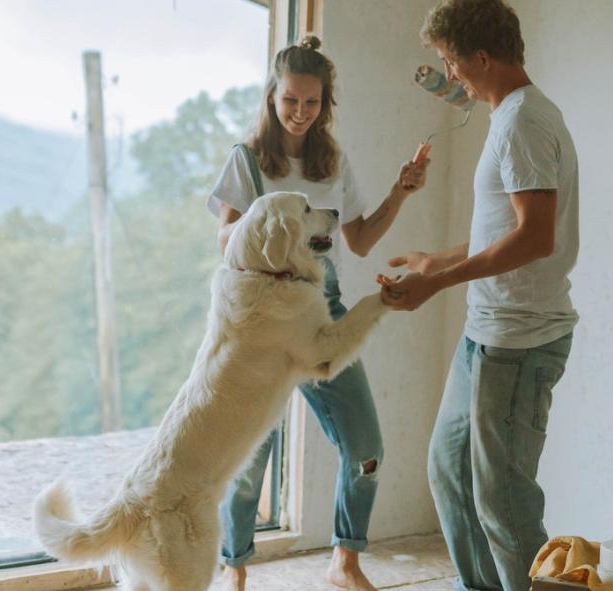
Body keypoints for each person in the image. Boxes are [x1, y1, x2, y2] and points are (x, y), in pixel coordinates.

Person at [207, 35, 430, 591]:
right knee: (248, 456)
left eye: (311, 102)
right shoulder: (248, 159)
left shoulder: (333, 161)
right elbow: (224, 242)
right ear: (272, 97)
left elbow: (357, 242)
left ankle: (345, 560)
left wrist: (400, 193)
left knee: (365, 448)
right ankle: (233, 567)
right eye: (290, 101)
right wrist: (272, 215)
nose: (300, 113)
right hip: (259, 318)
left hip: (321, 311)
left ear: (324, 103)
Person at [378, 1, 580, 590]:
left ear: (482, 58)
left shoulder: (524, 122)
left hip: (520, 342)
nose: (452, 75)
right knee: (449, 474)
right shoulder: (512, 117)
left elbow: (536, 238)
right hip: (485, 336)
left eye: (451, 62)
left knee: (506, 507)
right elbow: (505, 232)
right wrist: (435, 260)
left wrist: (435, 285)